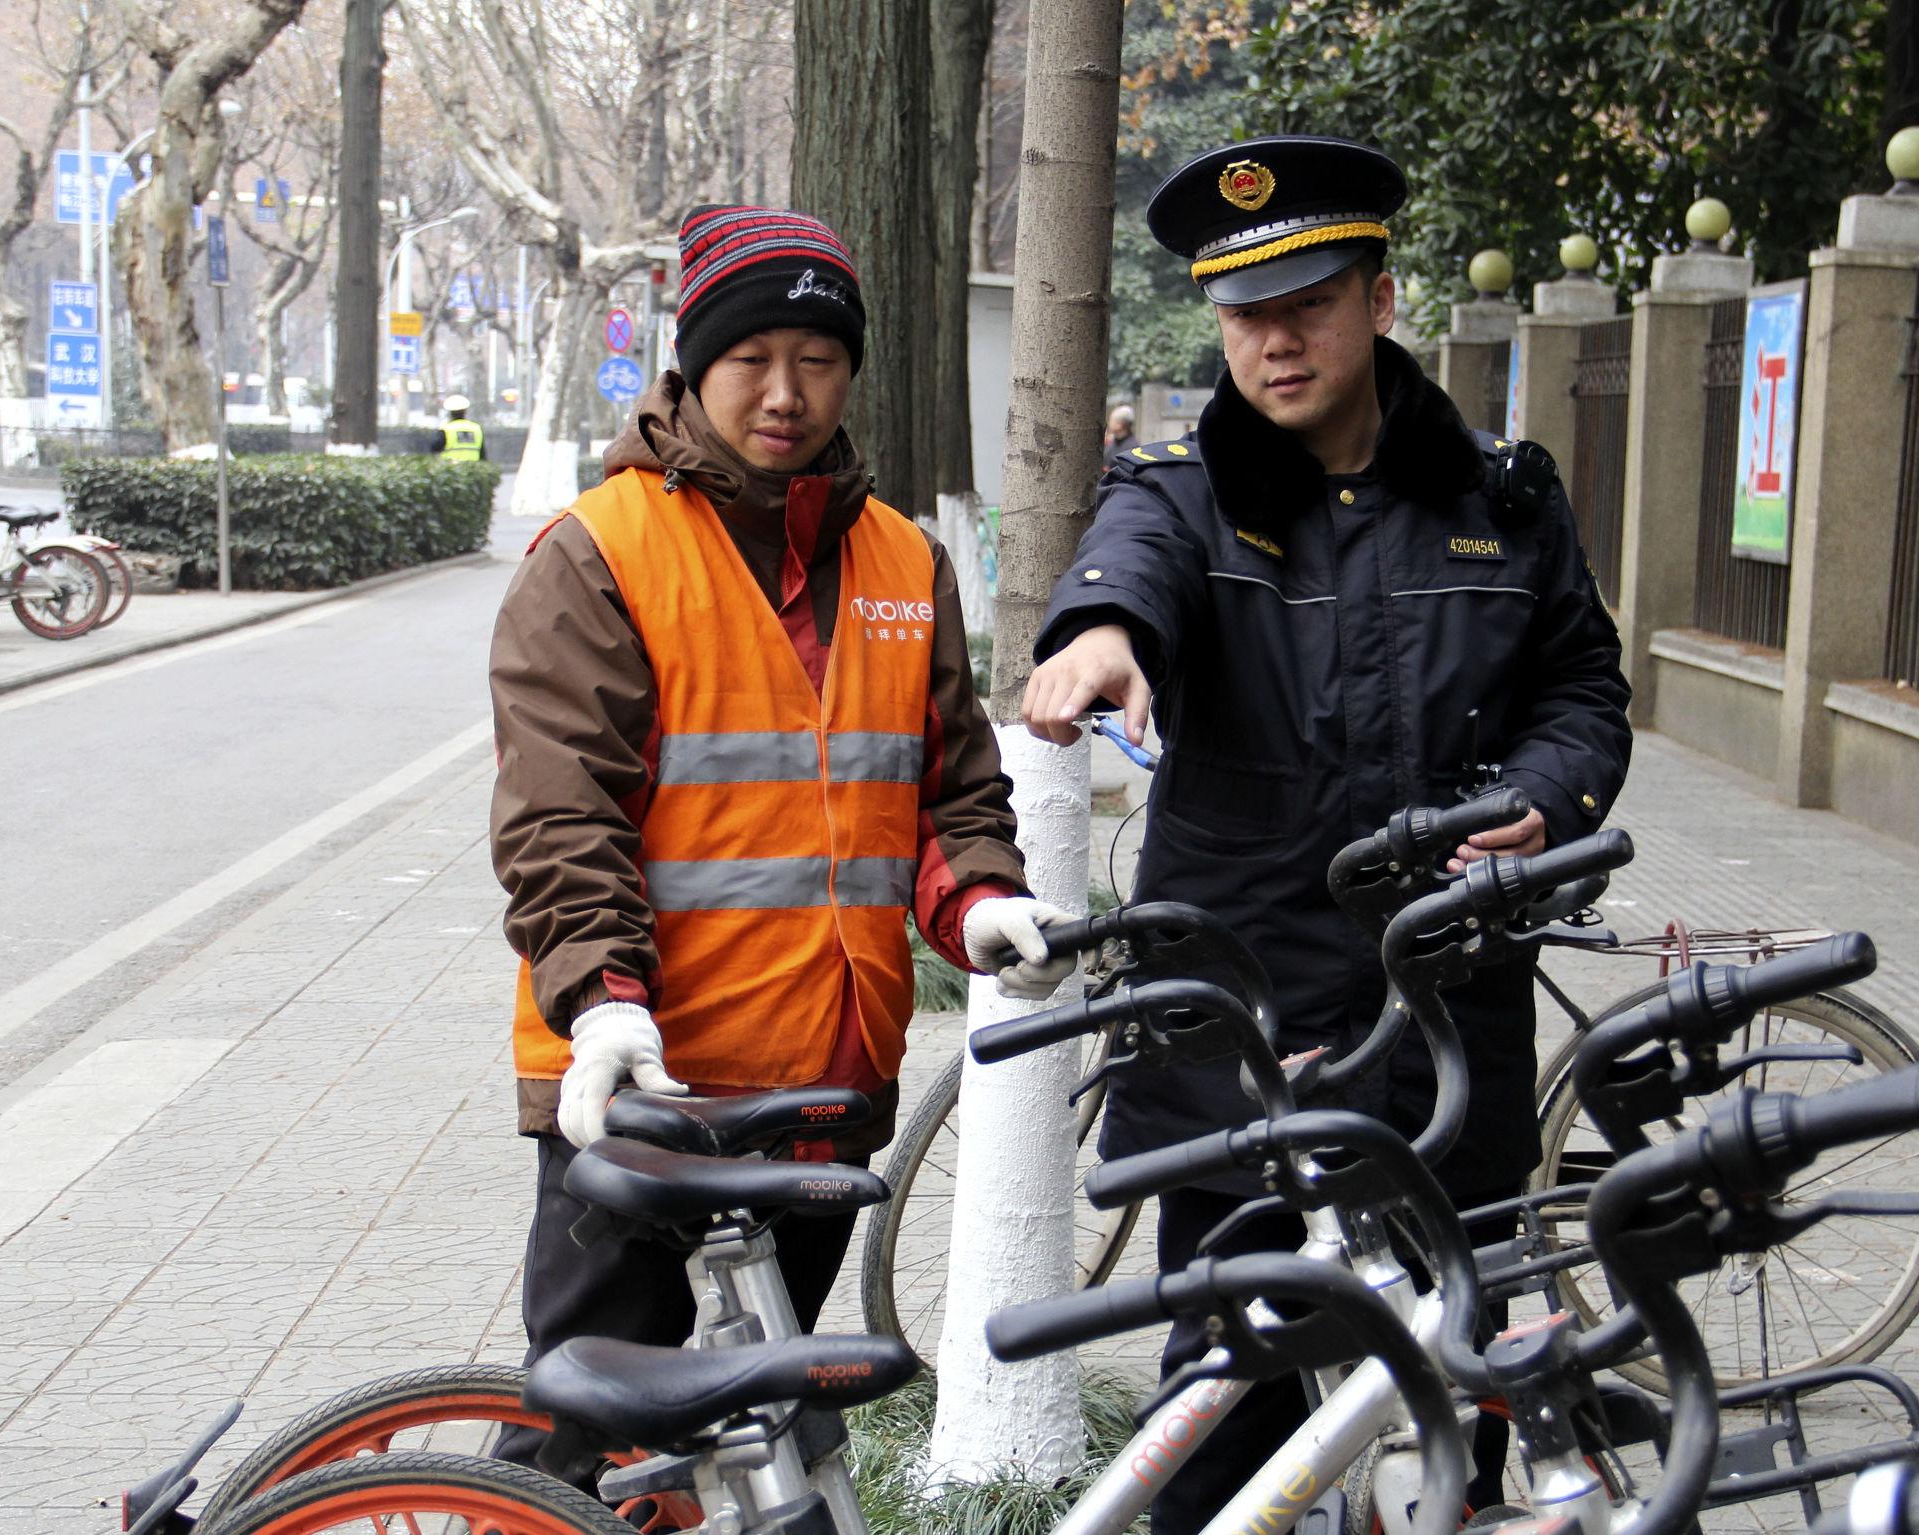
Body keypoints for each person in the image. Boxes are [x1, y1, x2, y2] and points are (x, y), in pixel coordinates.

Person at [1020, 136, 1633, 1530]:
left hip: (1444, 1026)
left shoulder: (1502, 496)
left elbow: (1583, 690)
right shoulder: (1180, 486)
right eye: (1245, 312)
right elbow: (1132, 571)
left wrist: (1552, 789)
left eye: (1307, 300)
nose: (1275, 339)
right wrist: (1103, 636)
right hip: (1233, 1031)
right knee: (1225, 1420)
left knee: (1459, 1412)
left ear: (1381, 298)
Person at [487, 204, 1079, 1481]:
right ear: (693, 364)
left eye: (816, 359)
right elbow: (558, 813)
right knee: (589, 1430)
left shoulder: (905, 560)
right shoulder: (600, 555)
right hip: (645, 1080)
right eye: (751, 355)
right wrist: (600, 1000)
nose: (784, 392)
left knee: (763, 1439)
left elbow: (946, 788)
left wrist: (977, 898)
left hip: (823, 1082)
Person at [423, 394, 484, 460]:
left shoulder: (446, 429)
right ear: (465, 411)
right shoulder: (476, 428)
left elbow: (434, 448)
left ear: (451, 413)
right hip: (473, 468)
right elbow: (483, 454)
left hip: (451, 469)